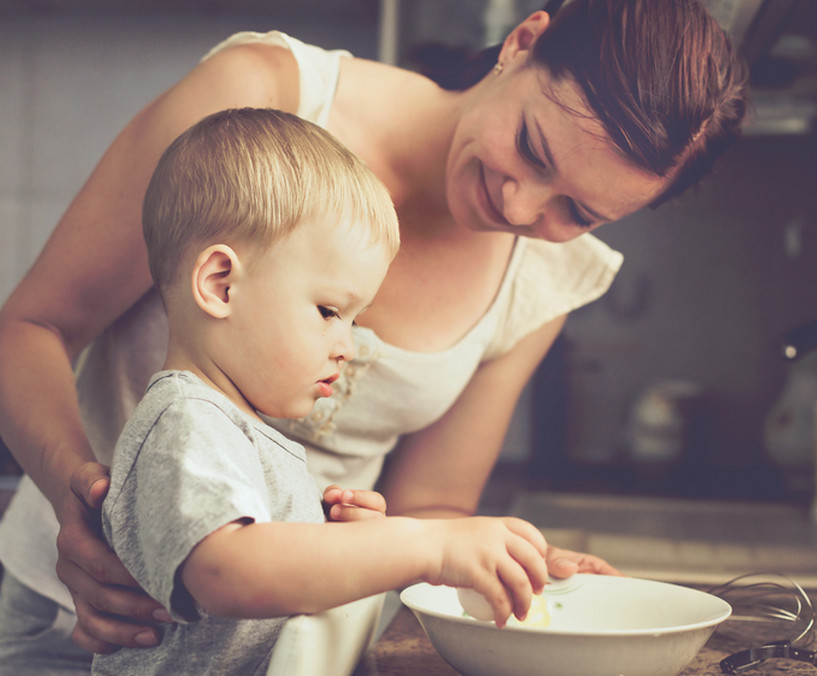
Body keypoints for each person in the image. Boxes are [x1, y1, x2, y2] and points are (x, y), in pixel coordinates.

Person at [0, 0, 749, 671]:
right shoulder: (265, 100)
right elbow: (31, 329)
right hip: (92, 623)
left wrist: (500, 563)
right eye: (535, 149)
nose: (522, 210)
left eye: (578, 211)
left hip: (283, 651)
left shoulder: (549, 277)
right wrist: (82, 507)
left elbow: (431, 508)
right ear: (522, 43)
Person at [87, 107, 550, 676]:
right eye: (330, 311)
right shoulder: (184, 424)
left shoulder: (238, 432)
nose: (347, 346)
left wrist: (345, 542)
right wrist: (420, 546)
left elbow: (271, 574)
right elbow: (226, 571)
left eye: (353, 319)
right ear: (220, 285)